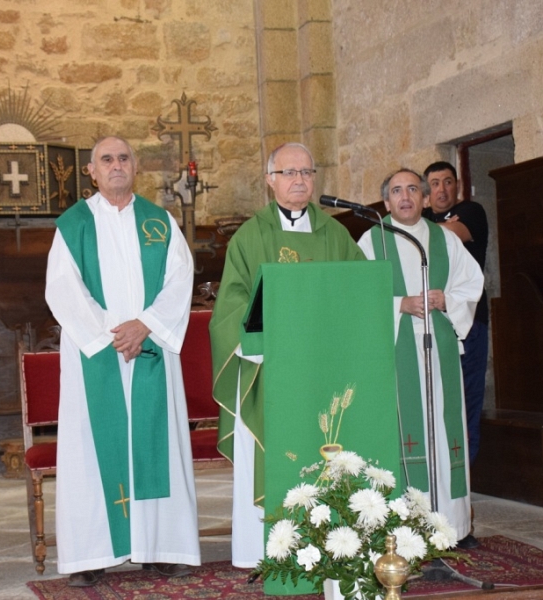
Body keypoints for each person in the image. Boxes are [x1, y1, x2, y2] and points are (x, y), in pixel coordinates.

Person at [45, 136, 200, 587]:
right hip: (98, 355)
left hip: (149, 348)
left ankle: (160, 546)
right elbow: (62, 287)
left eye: (124, 158)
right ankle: (91, 553)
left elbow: (179, 281)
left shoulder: (160, 222)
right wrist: (109, 337)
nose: (116, 165)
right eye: (107, 159)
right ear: (91, 171)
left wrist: (146, 325)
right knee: (92, 449)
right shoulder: (73, 225)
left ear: (136, 167)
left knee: (155, 444)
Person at [209, 142, 365, 568]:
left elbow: (358, 292)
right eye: (289, 172)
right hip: (271, 372)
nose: (299, 180)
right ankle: (264, 552)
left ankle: (330, 546)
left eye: (307, 172)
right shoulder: (250, 236)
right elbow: (231, 306)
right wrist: (259, 346)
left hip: (323, 370)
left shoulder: (335, 234)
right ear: (270, 181)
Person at [357, 168, 483, 549]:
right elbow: (358, 297)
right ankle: (405, 528)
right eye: (397, 190)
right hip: (396, 355)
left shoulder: (445, 240)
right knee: (406, 436)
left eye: (413, 189)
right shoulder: (370, 242)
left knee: (446, 435)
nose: (406, 196)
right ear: (386, 202)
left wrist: (448, 299)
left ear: (425, 198)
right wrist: (399, 304)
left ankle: (453, 526)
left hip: (439, 349)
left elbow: (472, 283)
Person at [423, 161, 489, 466]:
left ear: (457, 186)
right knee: (436, 399)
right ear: (427, 190)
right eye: (434, 183)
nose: (441, 189)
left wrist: (417, 228)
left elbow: (450, 235)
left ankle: (467, 476)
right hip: (431, 321)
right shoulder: (423, 219)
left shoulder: (473, 211)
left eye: (447, 182)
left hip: (470, 321)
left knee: (467, 399)